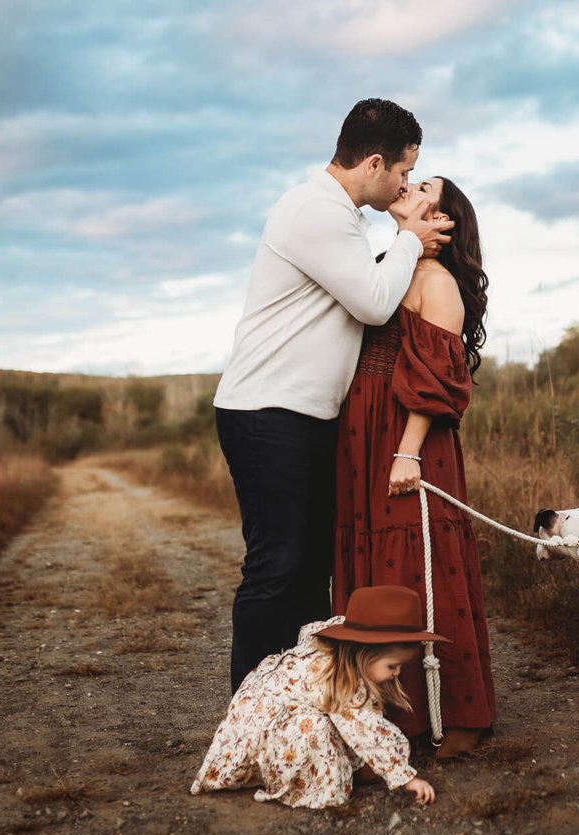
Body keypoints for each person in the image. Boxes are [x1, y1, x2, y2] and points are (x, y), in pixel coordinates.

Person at [213, 99, 453, 695]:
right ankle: (252, 712)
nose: (404, 185)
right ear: (374, 163)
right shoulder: (314, 211)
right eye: (401, 173)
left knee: (308, 570)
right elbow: (373, 301)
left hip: (303, 417)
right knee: (277, 566)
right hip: (267, 413)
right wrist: (407, 237)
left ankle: (299, 705)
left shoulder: (341, 219)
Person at [332, 176, 495, 758]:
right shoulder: (390, 269)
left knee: (422, 564)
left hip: (408, 439)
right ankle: (379, 711)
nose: (407, 184)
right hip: (361, 436)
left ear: (443, 219)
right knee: (372, 563)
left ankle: (457, 713)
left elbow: (437, 379)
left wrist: (407, 450)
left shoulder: (437, 283)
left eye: (424, 185)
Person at [190, 585, 445, 809]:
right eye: (392, 666)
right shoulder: (338, 678)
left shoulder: (338, 652)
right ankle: (310, 785)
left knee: (333, 723)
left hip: (268, 721)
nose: (397, 673)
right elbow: (366, 727)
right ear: (364, 653)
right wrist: (407, 777)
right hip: (267, 733)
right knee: (318, 727)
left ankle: (345, 765)